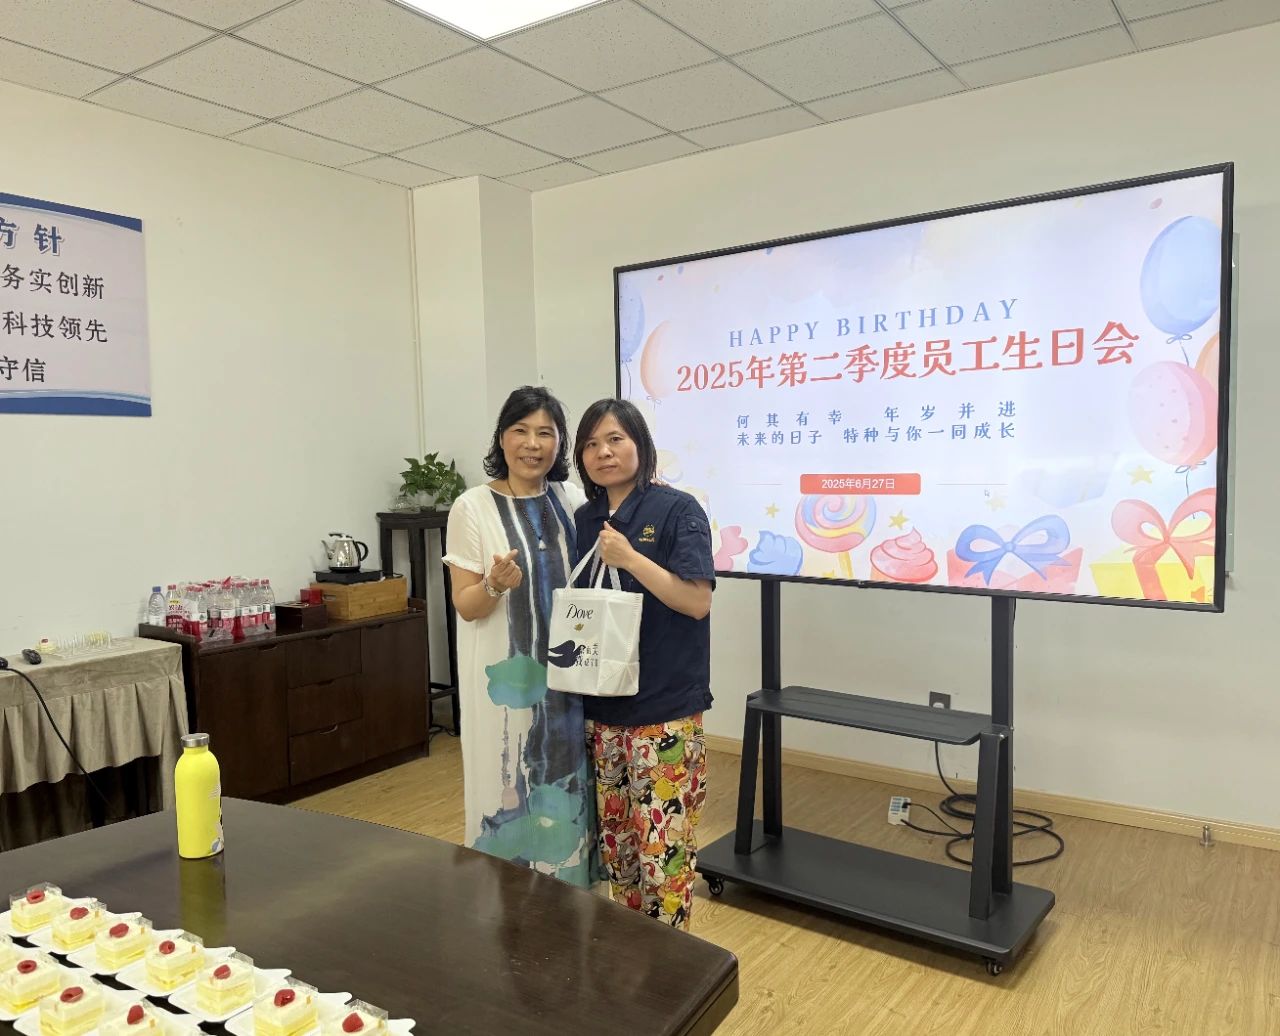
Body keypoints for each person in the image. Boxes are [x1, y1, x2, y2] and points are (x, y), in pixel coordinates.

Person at [443, 386, 595, 886]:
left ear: (560, 443)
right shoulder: (472, 507)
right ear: (502, 438)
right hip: (505, 690)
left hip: (568, 681)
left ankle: (568, 898)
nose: (533, 444)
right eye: (521, 431)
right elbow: (467, 606)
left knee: (567, 789)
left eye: (545, 433)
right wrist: (493, 584)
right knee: (506, 780)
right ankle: (505, 906)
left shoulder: (571, 500)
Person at [573, 398, 715, 929]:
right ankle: (630, 958)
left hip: (663, 713)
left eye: (615, 439)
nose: (603, 453)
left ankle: (672, 966)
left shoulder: (679, 510)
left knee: (664, 857)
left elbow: (696, 602)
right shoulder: (584, 519)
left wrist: (631, 558)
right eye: (591, 444)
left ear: (640, 443)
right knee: (620, 853)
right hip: (601, 712)